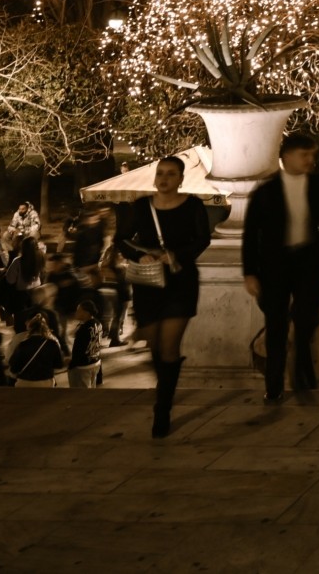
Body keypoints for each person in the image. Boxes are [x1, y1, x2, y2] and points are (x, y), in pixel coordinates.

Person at [241, 131, 319, 407]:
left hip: (307, 261)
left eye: (312, 155)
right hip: (274, 265)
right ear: (286, 157)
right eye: (304, 155)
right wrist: (249, 271)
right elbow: (251, 233)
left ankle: (303, 374)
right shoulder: (265, 191)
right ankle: (274, 385)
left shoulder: (318, 186)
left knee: (307, 318)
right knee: (275, 325)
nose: (310, 160)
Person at [116, 153, 212, 437]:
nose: (164, 179)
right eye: (160, 173)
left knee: (169, 347)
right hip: (148, 283)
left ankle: (163, 408)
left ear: (181, 179)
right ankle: (166, 385)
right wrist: (139, 256)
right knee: (154, 345)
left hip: (180, 282)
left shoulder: (194, 206)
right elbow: (121, 238)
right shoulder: (141, 207)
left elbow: (202, 239)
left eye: (171, 174)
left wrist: (176, 255)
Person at [8, 314, 65, 387]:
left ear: (30, 328)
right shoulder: (52, 344)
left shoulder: (23, 344)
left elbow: (14, 367)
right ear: (45, 328)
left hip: (25, 382)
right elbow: (59, 364)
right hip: (46, 382)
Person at [66, 298, 105, 388]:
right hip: (95, 362)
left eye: (78, 311)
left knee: (80, 394)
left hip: (83, 366)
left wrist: (71, 364)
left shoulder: (84, 329)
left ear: (86, 313)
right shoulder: (98, 323)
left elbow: (79, 350)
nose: (76, 313)